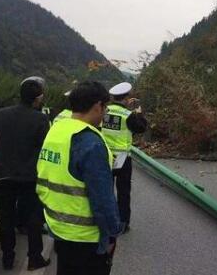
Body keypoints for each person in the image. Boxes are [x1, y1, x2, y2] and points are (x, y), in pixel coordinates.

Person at [37, 81, 123, 275]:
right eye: (105, 107)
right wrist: (111, 236)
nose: (105, 112)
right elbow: (102, 199)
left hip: (58, 227)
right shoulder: (90, 142)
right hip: (86, 238)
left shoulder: (56, 130)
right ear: (97, 106)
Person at [0, 77, 51, 271]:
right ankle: (34, 257)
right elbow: (43, 150)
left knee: (6, 216)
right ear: (38, 98)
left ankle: (8, 258)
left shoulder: (0, 114)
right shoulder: (41, 119)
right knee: (34, 217)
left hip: (3, 174)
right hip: (29, 176)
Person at [101, 82, 147, 233]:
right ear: (126, 98)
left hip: (105, 155)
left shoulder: (103, 111)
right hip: (122, 158)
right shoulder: (128, 115)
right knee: (123, 191)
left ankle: (106, 219)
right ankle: (123, 223)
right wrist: (139, 112)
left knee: (105, 190)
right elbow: (141, 128)